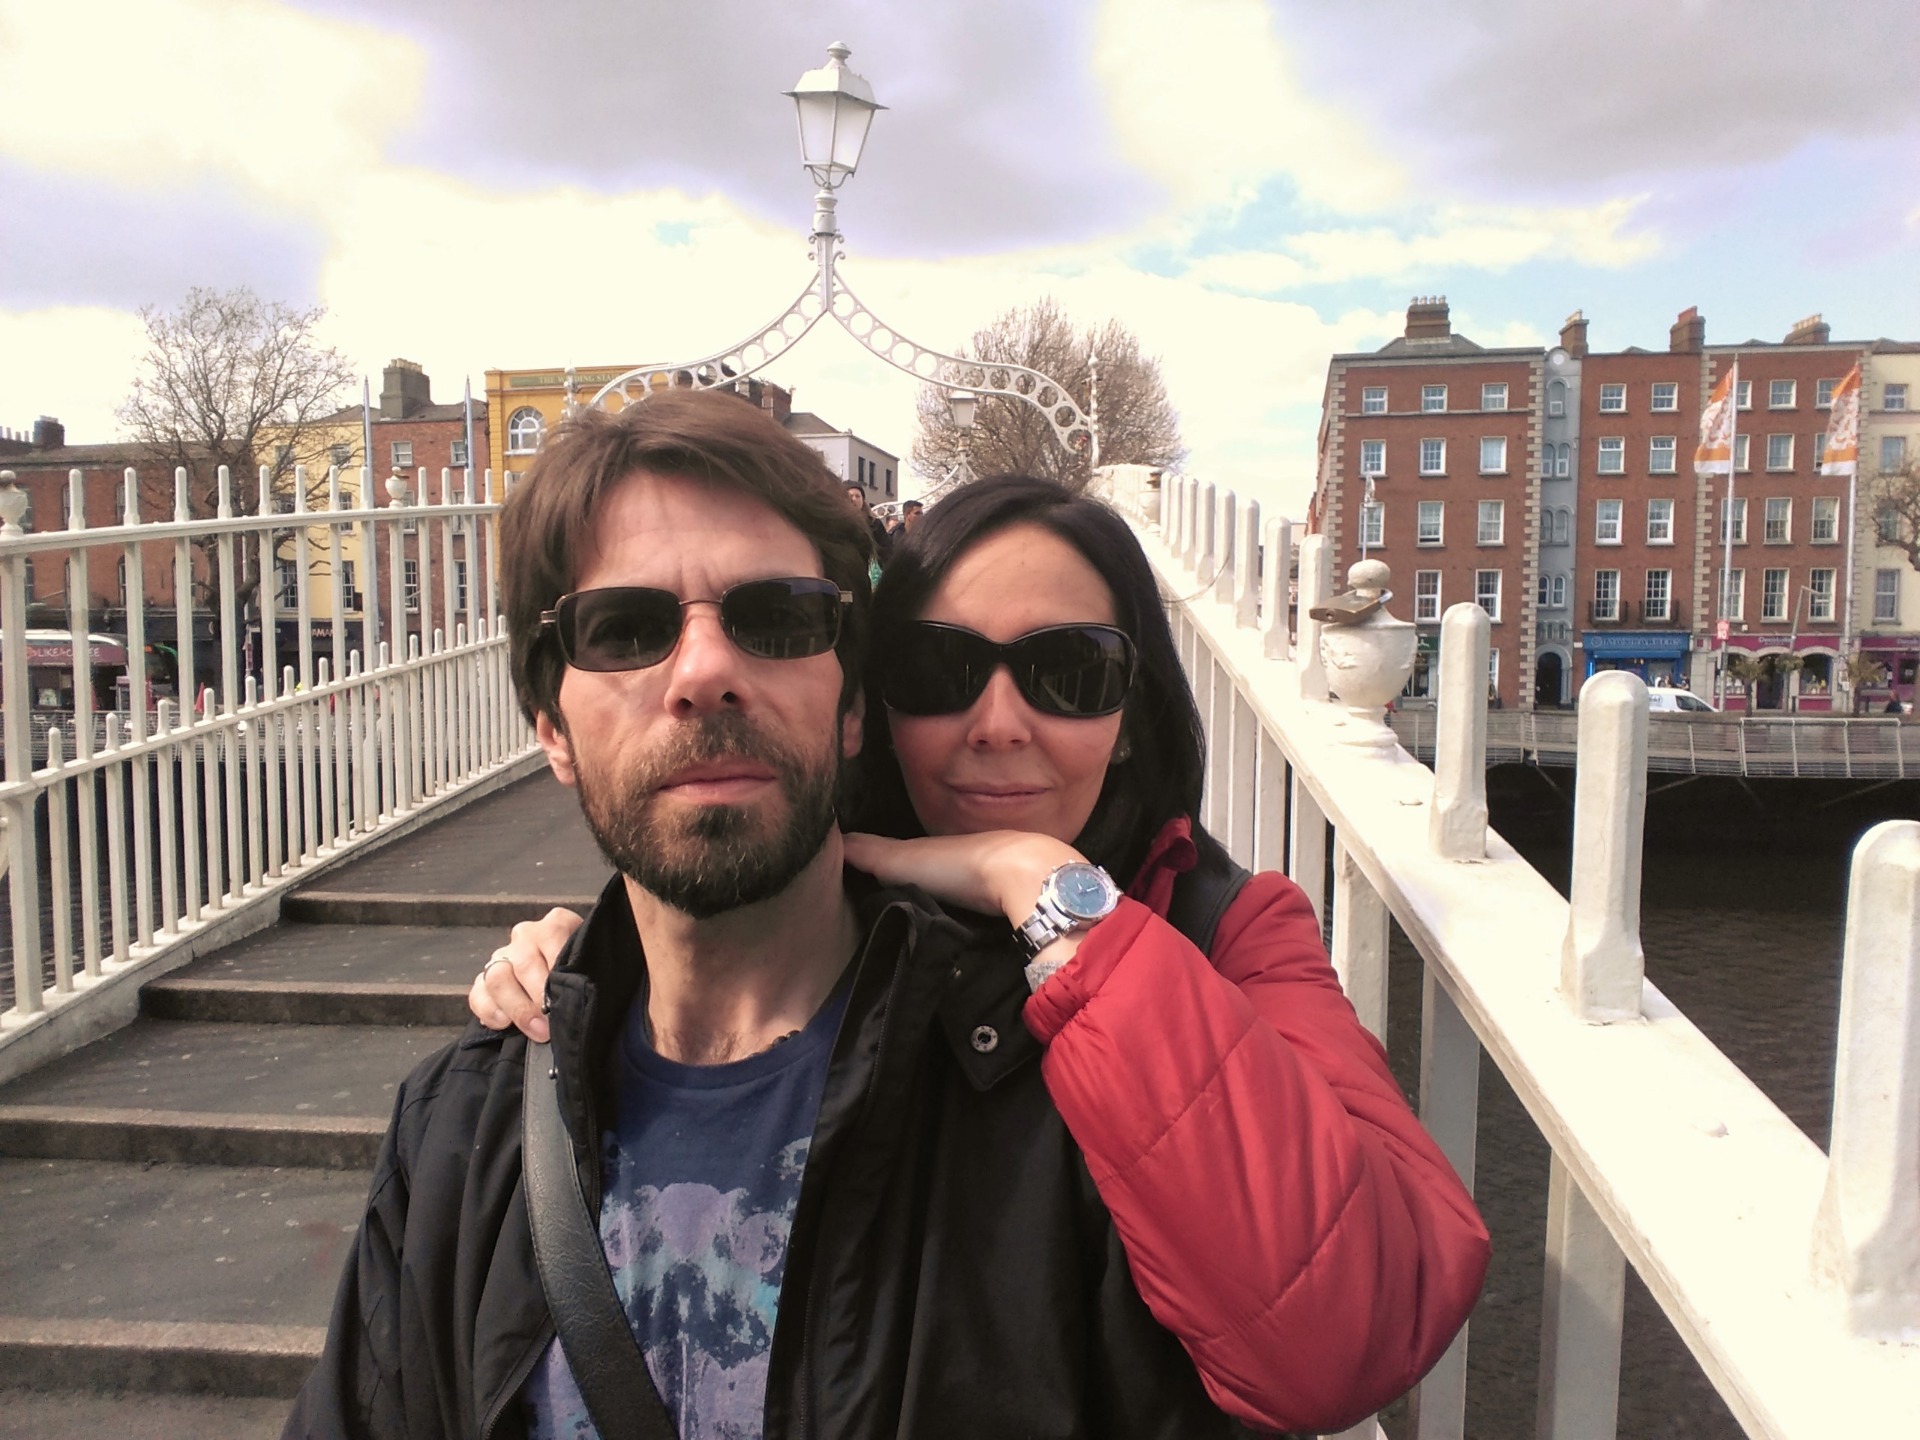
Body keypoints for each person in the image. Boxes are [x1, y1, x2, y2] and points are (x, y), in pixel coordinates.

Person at [470, 471, 1491, 1434]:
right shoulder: (821, 941)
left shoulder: (1228, 930)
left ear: (1131, 721)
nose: (999, 725)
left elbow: (1350, 1332)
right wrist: (602, 967)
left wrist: (1049, 892)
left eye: (1070, 672)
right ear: (872, 704)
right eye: (940, 670)